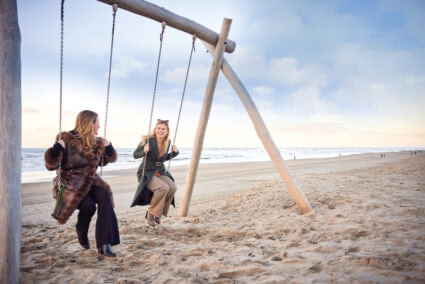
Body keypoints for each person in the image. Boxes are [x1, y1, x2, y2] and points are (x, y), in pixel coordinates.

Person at [44, 110, 120, 257]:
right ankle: (81, 230)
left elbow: (103, 162)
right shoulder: (66, 139)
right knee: (88, 206)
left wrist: (109, 147)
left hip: (91, 180)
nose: (99, 126)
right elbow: (50, 166)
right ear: (90, 123)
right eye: (97, 122)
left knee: (104, 194)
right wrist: (55, 149)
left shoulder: (96, 142)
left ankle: (105, 244)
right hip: (71, 183)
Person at [131, 119, 179, 226]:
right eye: (158, 128)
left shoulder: (168, 142)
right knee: (163, 188)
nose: (160, 131)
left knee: (172, 187)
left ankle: (159, 213)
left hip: (160, 171)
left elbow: (162, 159)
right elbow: (135, 155)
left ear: (167, 131)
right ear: (155, 129)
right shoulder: (147, 140)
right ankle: (151, 214)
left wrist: (174, 153)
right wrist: (144, 151)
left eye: (163, 129)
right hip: (147, 172)